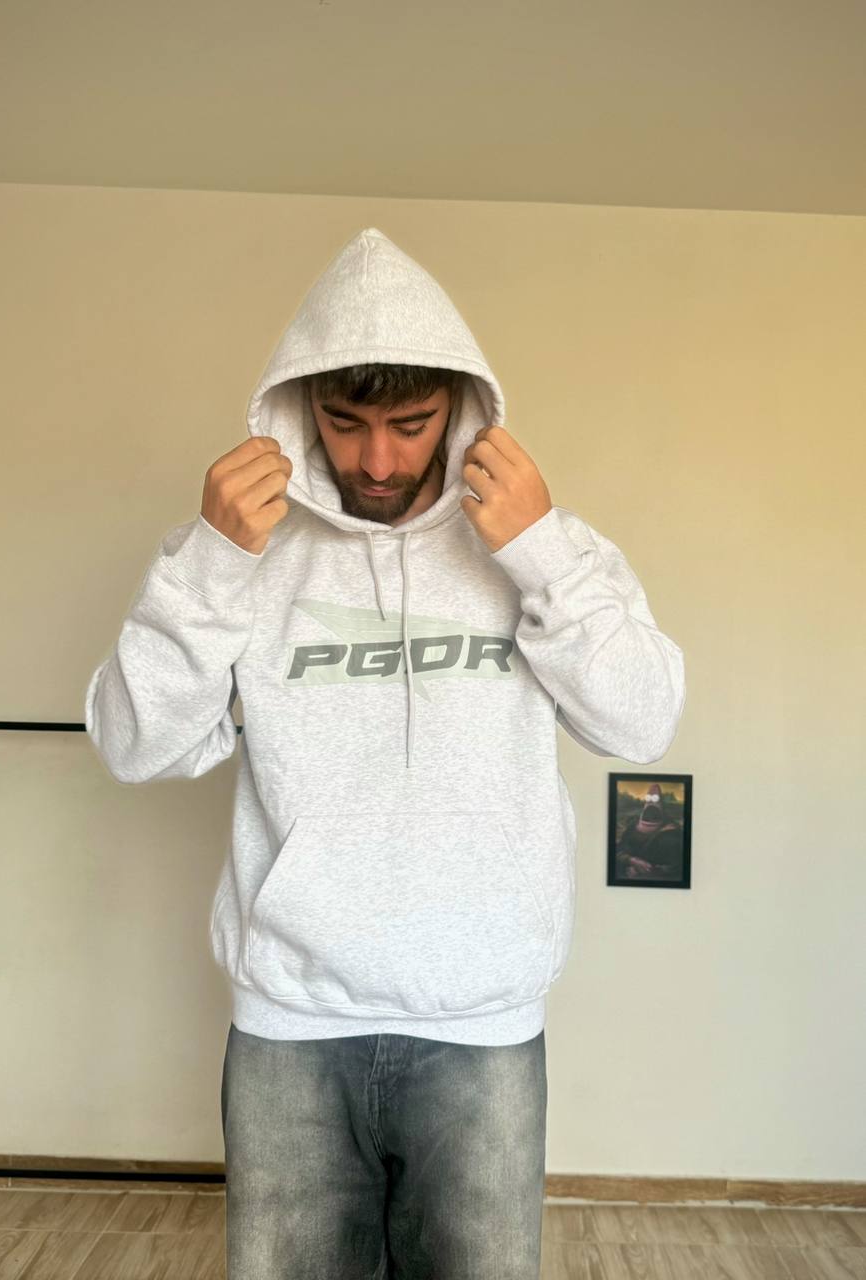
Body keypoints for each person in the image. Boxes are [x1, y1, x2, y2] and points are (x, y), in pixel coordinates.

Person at [85, 227, 686, 1279]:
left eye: (410, 426)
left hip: (482, 1025)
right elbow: (135, 745)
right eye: (345, 423)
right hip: (289, 1026)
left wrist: (539, 551)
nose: (376, 461)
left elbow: (638, 722)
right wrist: (210, 567)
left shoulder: (545, 547)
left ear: (460, 408)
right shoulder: (239, 555)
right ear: (298, 409)